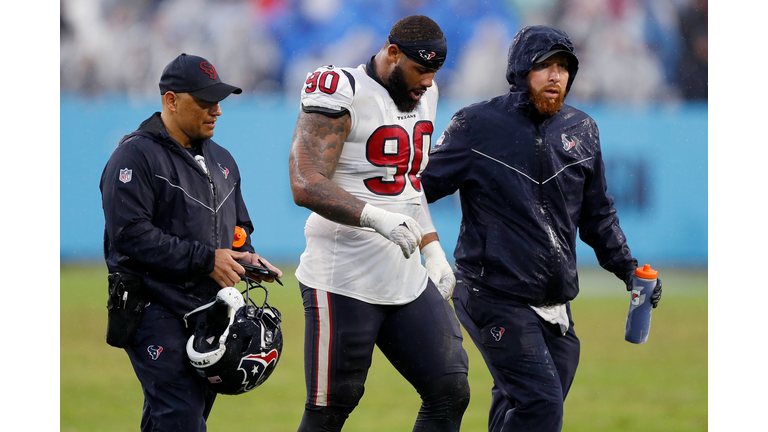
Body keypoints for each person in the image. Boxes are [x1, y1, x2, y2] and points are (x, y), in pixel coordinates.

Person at [420, 25, 663, 432]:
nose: (556, 76)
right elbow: (416, 190)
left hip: (555, 303)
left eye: (564, 67)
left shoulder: (583, 130)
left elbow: (598, 216)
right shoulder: (475, 126)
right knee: (541, 404)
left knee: (520, 404)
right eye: (544, 66)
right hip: (490, 294)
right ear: (519, 70)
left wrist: (629, 269)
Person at [288, 14, 470, 432]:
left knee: (449, 389)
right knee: (332, 407)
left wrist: (432, 249)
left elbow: (408, 184)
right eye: (421, 69)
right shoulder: (341, 90)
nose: (427, 81)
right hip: (343, 277)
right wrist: (374, 218)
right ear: (392, 54)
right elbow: (305, 182)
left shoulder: (426, 93)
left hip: (403, 275)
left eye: (434, 71)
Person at [100, 53, 283, 432]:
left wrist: (245, 257)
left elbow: (239, 228)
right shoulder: (134, 155)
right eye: (204, 101)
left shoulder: (224, 160)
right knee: (182, 419)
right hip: (151, 307)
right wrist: (206, 260)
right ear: (171, 100)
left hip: (209, 311)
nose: (216, 110)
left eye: (218, 100)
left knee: (179, 418)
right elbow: (130, 234)